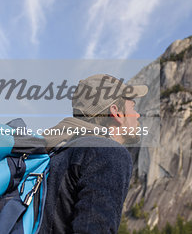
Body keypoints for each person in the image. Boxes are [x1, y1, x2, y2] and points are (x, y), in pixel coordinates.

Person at [38, 74, 148, 234]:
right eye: (132, 107)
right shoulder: (109, 152)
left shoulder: (58, 151)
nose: (137, 115)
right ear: (116, 113)